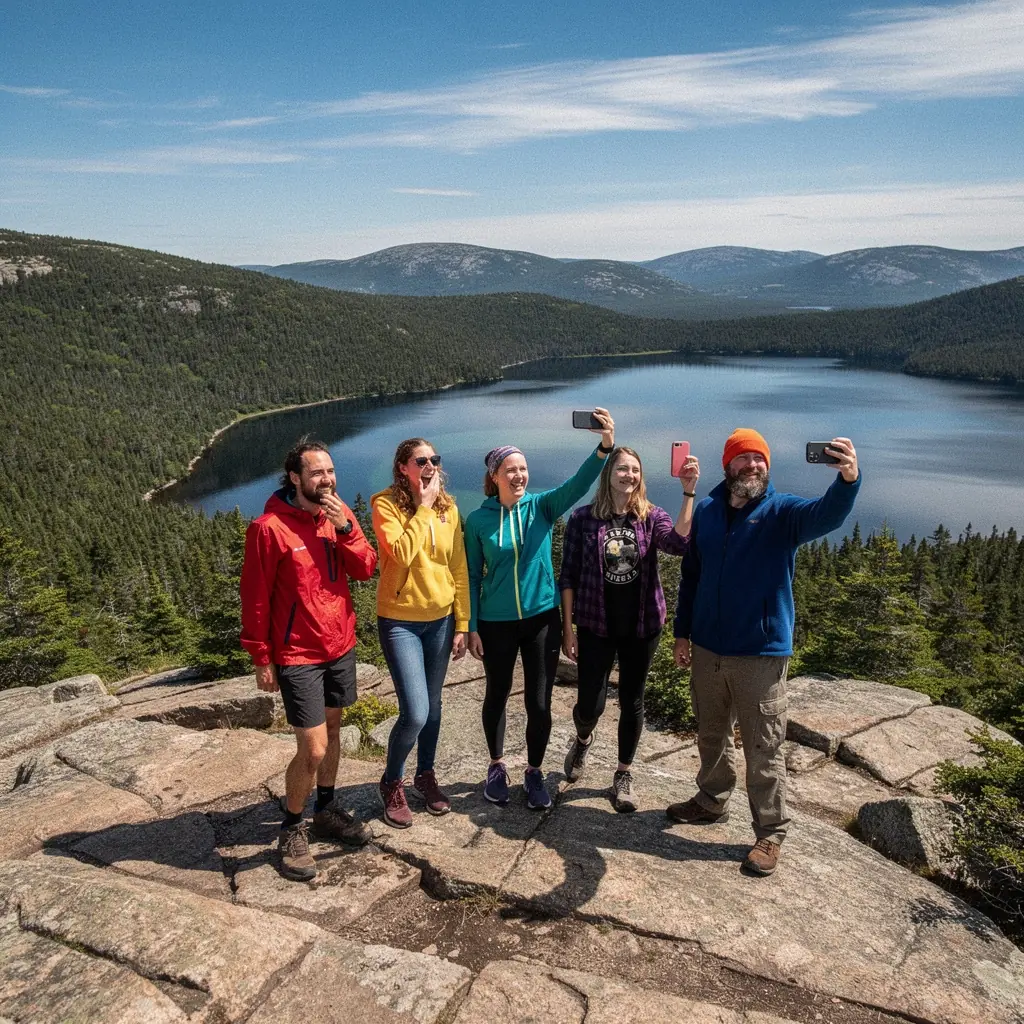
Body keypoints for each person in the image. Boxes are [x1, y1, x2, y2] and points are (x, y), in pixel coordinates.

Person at [668, 428, 860, 876]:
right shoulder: (711, 511)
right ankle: (712, 800)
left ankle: (770, 832)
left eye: (760, 460)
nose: (753, 466)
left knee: (764, 745)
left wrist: (848, 479)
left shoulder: (782, 512)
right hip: (708, 648)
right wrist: (682, 633)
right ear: (727, 465)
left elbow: (826, 515)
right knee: (711, 733)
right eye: (744, 459)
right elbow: (692, 577)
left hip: (760, 654)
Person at [240, 439, 378, 882]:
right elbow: (256, 598)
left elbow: (365, 568)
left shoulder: (337, 517)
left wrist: (346, 529)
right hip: (298, 654)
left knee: (335, 731)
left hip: (339, 644)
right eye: (317, 473)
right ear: (295, 478)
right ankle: (292, 826)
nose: (327, 479)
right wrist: (261, 656)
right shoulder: (269, 528)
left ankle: (327, 809)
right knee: (313, 746)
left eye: (331, 471)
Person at [464, 409, 616, 810]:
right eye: (510, 470)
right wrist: (472, 625)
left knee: (540, 701)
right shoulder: (478, 521)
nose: (519, 476)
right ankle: (496, 766)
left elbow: (578, 484)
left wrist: (603, 448)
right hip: (495, 623)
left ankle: (533, 771)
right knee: (496, 694)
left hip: (541, 622)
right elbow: (472, 577)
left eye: (523, 469)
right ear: (494, 476)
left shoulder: (542, 508)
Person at [559, 445, 700, 811]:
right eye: (622, 469)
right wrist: (568, 629)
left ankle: (623, 773)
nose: (629, 476)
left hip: (642, 626)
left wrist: (688, 492)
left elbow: (679, 544)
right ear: (609, 474)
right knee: (590, 703)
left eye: (635, 470)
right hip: (594, 624)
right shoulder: (583, 519)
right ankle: (583, 738)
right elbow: (568, 577)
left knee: (632, 700)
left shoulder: (651, 517)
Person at [371, 438, 470, 828]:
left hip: (441, 620)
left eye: (434, 460)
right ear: (403, 468)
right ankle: (391, 781)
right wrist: (424, 508)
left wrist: (462, 622)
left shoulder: (450, 508)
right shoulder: (385, 505)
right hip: (400, 621)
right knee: (415, 711)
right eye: (421, 460)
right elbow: (401, 554)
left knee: (433, 706)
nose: (430, 466)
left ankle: (425, 776)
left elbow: (458, 568)